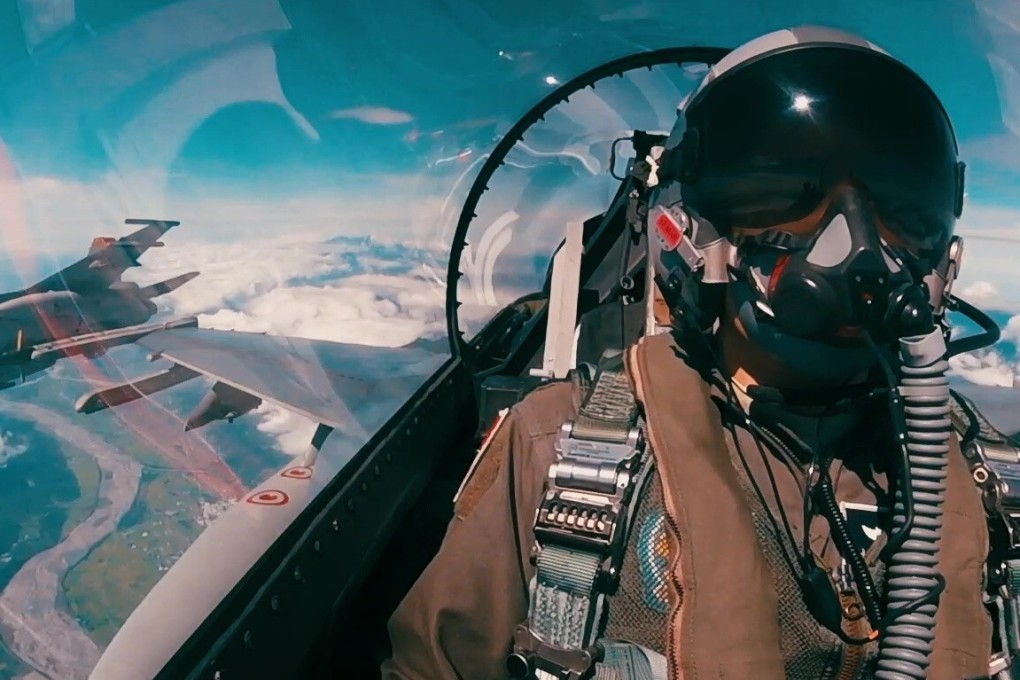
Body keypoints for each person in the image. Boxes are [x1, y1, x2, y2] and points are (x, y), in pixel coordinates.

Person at [381, 27, 996, 680]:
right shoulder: (562, 449)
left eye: (896, 207)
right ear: (685, 231)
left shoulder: (991, 483)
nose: (855, 244)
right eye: (780, 195)